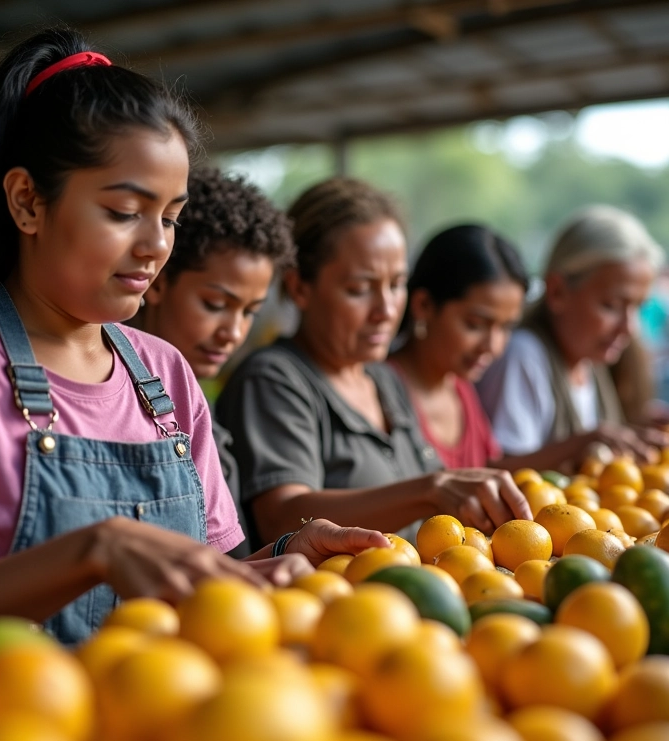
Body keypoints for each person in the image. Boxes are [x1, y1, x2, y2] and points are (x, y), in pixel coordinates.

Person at [0, 28, 389, 650]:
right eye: (124, 211)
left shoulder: (164, 375)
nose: (156, 244)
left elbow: (208, 583)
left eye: (169, 217)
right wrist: (91, 552)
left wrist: (289, 552)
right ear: (27, 201)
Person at [216, 177, 531, 549]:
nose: (386, 311)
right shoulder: (273, 379)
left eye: (396, 285)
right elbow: (282, 518)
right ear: (300, 286)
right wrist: (429, 491)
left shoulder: (384, 381)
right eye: (360, 289)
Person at [133, 165, 296, 556]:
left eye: (249, 312)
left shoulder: (201, 413)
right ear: (158, 278)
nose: (233, 332)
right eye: (216, 305)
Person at [477, 204, 667, 471]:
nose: (629, 327)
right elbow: (496, 472)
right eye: (611, 305)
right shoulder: (524, 355)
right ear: (557, 292)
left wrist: (634, 430)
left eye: (638, 307)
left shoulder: (588, 359)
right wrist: (583, 443)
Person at [387, 224, 528, 469]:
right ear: (424, 306)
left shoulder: (460, 390)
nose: (493, 347)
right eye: (475, 325)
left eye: (506, 328)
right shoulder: (380, 394)